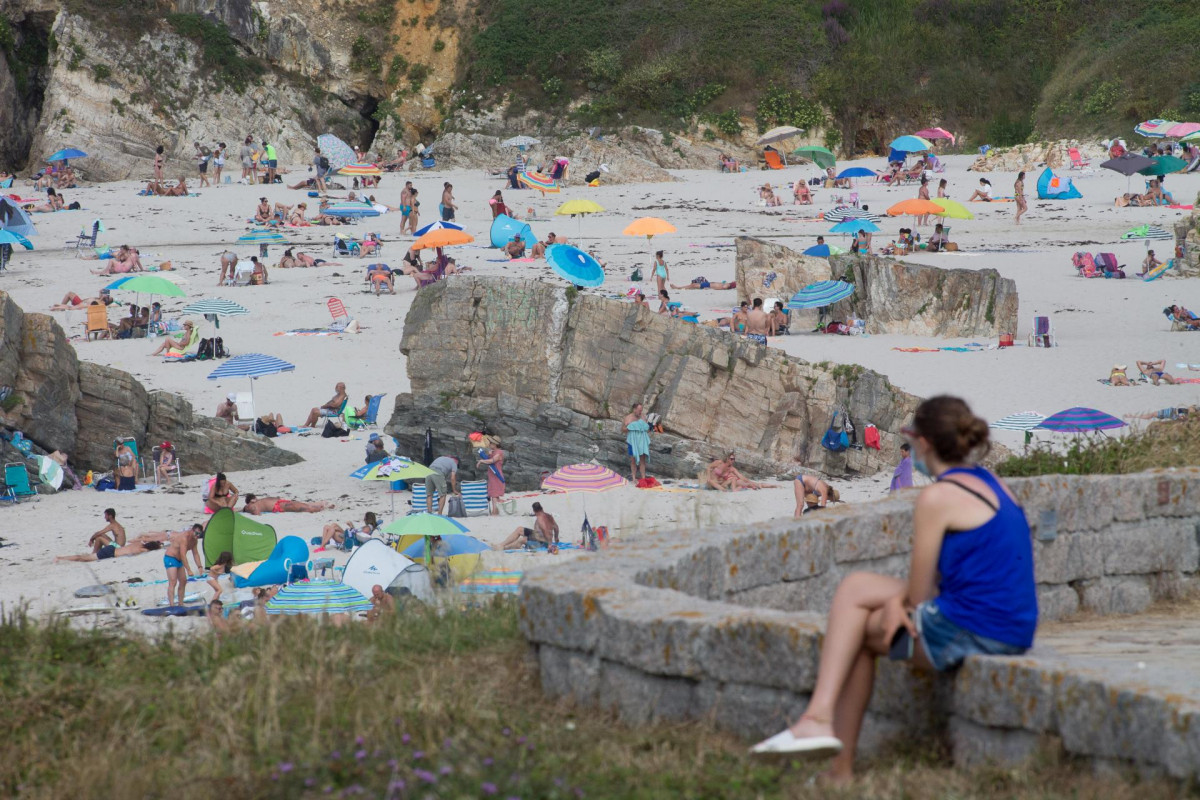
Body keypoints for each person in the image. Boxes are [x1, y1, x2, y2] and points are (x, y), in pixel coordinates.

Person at [751, 396, 1037, 777]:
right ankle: (821, 732)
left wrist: (896, 607)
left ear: (922, 442)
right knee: (856, 587)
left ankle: (828, 744)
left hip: (981, 627)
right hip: (1014, 622)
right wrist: (896, 603)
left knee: (859, 634)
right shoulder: (993, 483)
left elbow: (919, 597)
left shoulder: (937, 497)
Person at [164, 526, 204, 606]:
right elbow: (183, 555)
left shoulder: (194, 540)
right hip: (170, 558)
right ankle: (172, 605)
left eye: (199, 534)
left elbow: (195, 553)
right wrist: (188, 570)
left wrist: (199, 566)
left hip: (179, 561)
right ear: (192, 531)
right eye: (196, 533)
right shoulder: (184, 538)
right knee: (173, 582)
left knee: (183, 581)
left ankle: (180, 604)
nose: (197, 535)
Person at [495, 502, 560, 550]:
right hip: (537, 535)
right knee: (519, 529)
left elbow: (545, 530)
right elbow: (556, 527)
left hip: (542, 541)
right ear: (542, 508)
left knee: (521, 540)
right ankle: (502, 544)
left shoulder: (540, 519)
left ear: (534, 511)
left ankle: (504, 547)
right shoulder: (549, 516)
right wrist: (556, 538)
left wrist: (549, 545)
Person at [56, 540, 162, 562]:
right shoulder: (141, 549)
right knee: (82, 558)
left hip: (112, 548)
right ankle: (60, 558)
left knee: (84, 557)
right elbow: (138, 552)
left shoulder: (139, 543)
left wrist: (156, 543)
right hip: (110, 553)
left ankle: (61, 558)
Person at [624, 403, 651, 481]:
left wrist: (647, 427)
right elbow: (623, 429)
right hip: (632, 441)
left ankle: (643, 478)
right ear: (634, 409)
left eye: (641, 410)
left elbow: (647, 430)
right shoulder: (628, 418)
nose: (640, 412)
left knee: (642, 460)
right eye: (639, 410)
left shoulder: (643, 417)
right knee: (633, 460)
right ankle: (633, 478)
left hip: (642, 440)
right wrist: (630, 427)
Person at [478, 444, 506, 515]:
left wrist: (481, 461)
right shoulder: (493, 452)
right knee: (494, 494)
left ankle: (494, 512)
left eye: (491, 443)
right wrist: (489, 454)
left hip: (497, 476)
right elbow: (489, 460)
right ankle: (496, 512)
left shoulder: (499, 452)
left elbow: (492, 461)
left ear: (495, 444)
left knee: (494, 494)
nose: (489, 444)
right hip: (492, 476)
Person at [243, 494, 333, 514]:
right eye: (255, 498)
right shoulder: (252, 505)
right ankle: (321, 508)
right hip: (279, 506)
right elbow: (256, 512)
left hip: (281, 503)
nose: (257, 499)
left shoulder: (257, 502)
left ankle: (321, 506)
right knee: (303, 508)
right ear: (252, 500)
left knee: (301, 505)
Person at [671, 277, 737, 290]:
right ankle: (678, 287)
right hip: (708, 284)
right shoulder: (728, 284)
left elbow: (724, 287)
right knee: (693, 285)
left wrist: (726, 284)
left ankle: (678, 287)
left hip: (708, 285)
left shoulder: (728, 285)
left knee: (693, 285)